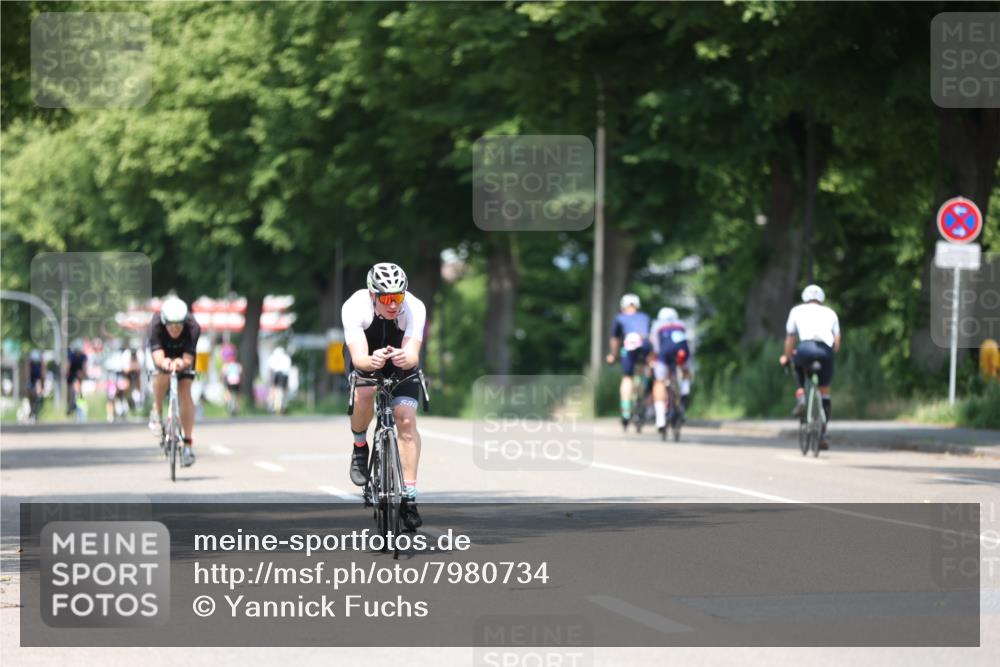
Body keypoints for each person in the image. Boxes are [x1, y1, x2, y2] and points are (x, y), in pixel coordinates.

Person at [341, 262, 427, 531]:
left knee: (405, 420)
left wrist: (404, 357)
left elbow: (413, 354)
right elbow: (359, 358)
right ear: (372, 295)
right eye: (387, 298)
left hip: (400, 362)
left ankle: (409, 499)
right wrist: (372, 361)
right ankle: (359, 446)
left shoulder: (415, 307)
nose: (393, 305)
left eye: (398, 297)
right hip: (367, 356)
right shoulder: (354, 307)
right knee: (365, 391)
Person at [779, 284, 841, 449]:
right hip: (826, 351)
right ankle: (823, 432)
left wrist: (786, 356)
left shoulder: (797, 311)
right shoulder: (831, 312)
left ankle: (801, 395)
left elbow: (791, 337)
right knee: (825, 390)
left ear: (805, 298)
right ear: (821, 299)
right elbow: (836, 342)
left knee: (795, 361)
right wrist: (829, 354)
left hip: (805, 348)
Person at [148, 296, 201, 467]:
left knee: (185, 390)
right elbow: (158, 357)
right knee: (162, 374)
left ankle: (187, 445)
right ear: (164, 322)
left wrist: (182, 363)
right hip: (164, 355)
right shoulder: (155, 326)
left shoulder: (193, 328)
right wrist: (165, 363)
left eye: (179, 325)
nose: (175, 329)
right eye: (171, 325)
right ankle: (156, 410)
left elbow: (188, 357)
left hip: (183, 356)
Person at [606, 294, 652, 429]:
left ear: (623, 307)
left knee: (627, 378)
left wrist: (613, 355)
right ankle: (641, 398)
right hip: (644, 343)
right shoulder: (645, 317)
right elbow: (651, 336)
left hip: (629, 344)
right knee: (643, 370)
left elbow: (614, 339)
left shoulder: (620, 317)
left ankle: (626, 412)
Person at [649, 307, 691, 436]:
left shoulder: (657, 325)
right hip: (682, 351)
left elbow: (655, 346)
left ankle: (660, 419)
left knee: (659, 382)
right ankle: (685, 390)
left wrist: (654, 359)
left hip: (665, 353)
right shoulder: (682, 324)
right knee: (685, 370)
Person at [267, 346, 292, 414]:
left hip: (276, 375)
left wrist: (270, 381)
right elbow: (288, 370)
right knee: (284, 390)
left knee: (273, 389)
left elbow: (270, 369)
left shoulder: (272, 357)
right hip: (284, 376)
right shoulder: (286, 358)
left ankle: (272, 405)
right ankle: (284, 404)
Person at [66, 340, 87, 417]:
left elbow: (84, 367)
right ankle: (69, 405)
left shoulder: (83, 356)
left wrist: (83, 374)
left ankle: (80, 397)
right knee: (69, 388)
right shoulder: (71, 355)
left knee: (79, 383)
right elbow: (68, 366)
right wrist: (66, 373)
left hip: (79, 373)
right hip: (71, 373)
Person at [26, 349, 45, 423]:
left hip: (38, 380)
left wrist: (42, 386)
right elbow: (27, 374)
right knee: (30, 394)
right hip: (31, 380)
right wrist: (28, 384)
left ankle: (36, 412)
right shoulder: (30, 363)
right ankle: (31, 410)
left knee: (37, 394)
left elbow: (43, 374)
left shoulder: (41, 363)